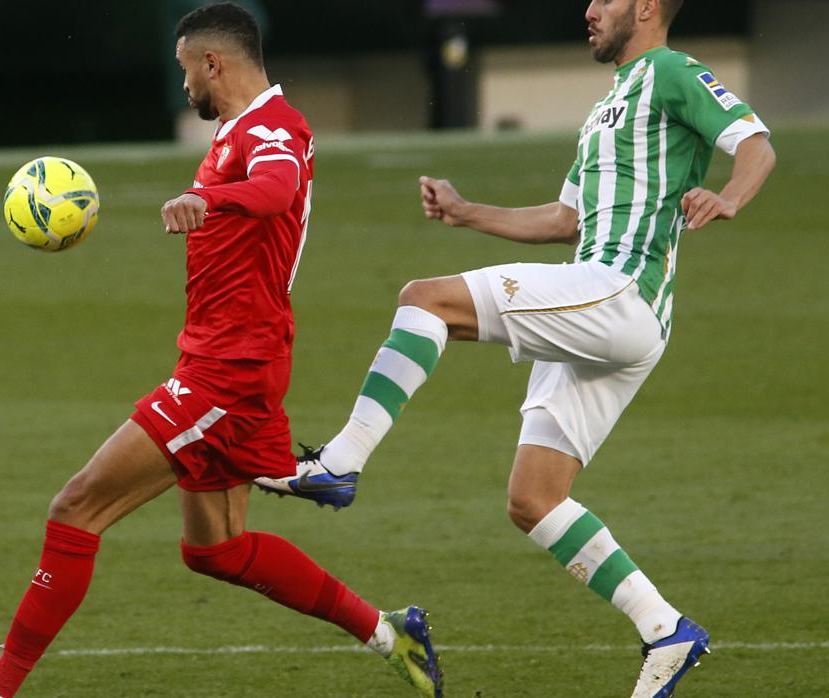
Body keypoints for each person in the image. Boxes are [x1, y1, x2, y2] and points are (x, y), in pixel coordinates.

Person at [255, 0, 775, 695]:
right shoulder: (611, 106)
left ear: (646, 7)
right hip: (605, 302)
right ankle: (666, 630)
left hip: (619, 292)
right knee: (534, 499)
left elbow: (755, 144)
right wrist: (469, 211)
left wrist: (732, 197)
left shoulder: (673, 73)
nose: (590, 9)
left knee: (422, 298)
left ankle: (340, 462)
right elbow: (566, 220)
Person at [0, 4, 442, 698]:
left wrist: (213, 203)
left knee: (76, 506)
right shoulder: (236, 132)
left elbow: (278, 189)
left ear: (214, 63)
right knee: (216, 550)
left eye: (186, 70)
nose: (184, 86)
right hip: (223, 360)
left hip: (229, 372)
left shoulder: (273, 128)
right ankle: (391, 633)